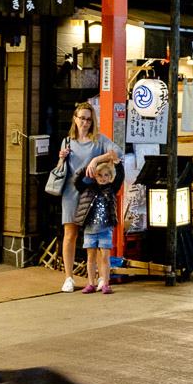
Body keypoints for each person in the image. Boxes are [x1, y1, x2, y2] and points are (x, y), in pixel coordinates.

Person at [57, 102, 122, 292]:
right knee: (70, 233)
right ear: (75, 119)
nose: (84, 122)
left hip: (93, 195)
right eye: (81, 118)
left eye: (88, 118)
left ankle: (102, 278)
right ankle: (69, 277)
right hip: (71, 192)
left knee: (98, 235)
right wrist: (61, 157)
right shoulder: (67, 141)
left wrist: (97, 159)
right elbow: (61, 168)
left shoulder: (99, 140)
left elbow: (117, 151)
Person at [74, 159, 125, 293]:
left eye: (106, 175)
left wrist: (118, 164)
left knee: (105, 257)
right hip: (89, 229)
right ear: (95, 176)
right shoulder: (88, 189)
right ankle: (91, 283)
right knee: (90, 257)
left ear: (110, 177)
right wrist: (87, 169)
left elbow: (120, 177)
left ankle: (105, 282)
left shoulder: (112, 189)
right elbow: (76, 181)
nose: (103, 178)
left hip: (105, 228)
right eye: (100, 175)